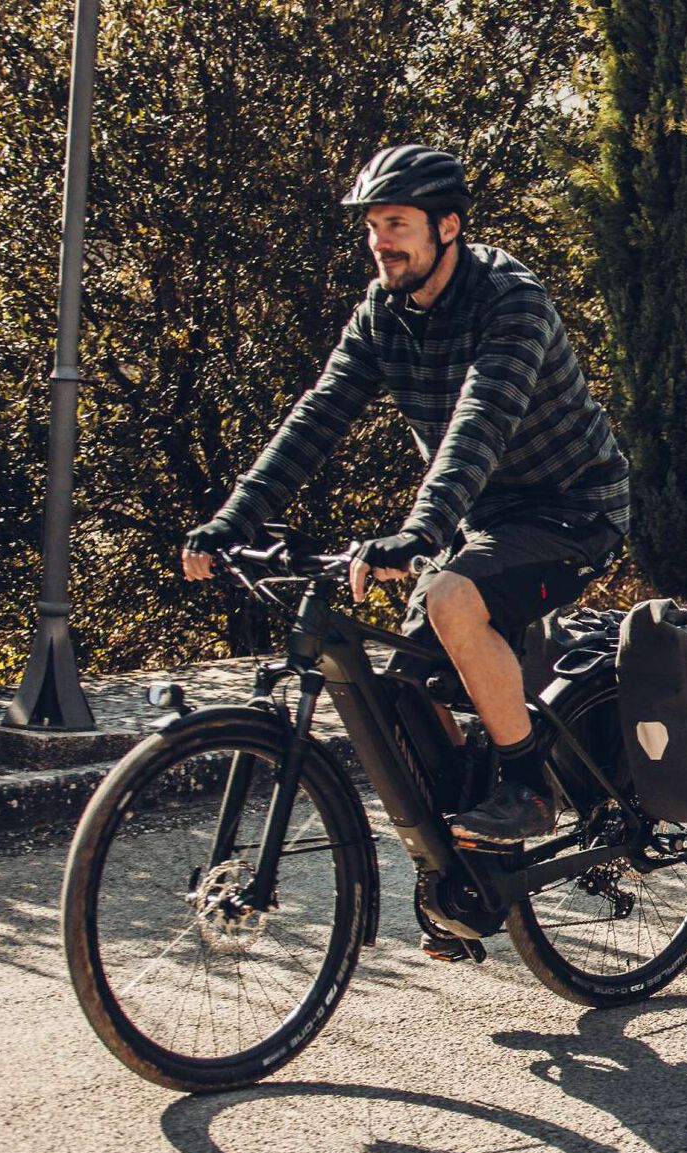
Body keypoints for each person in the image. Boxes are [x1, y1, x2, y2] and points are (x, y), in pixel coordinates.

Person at [181, 144, 630, 848]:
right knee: (401, 697)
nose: (379, 242)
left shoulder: (511, 301)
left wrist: (421, 531)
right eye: (371, 226)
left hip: (572, 511)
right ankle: (467, 863)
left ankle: (528, 789)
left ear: (447, 226)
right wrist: (233, 519)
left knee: (452, 597)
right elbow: (319, 415)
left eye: (396, 223)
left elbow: (479, 421)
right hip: (480, 522)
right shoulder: (383, 312)